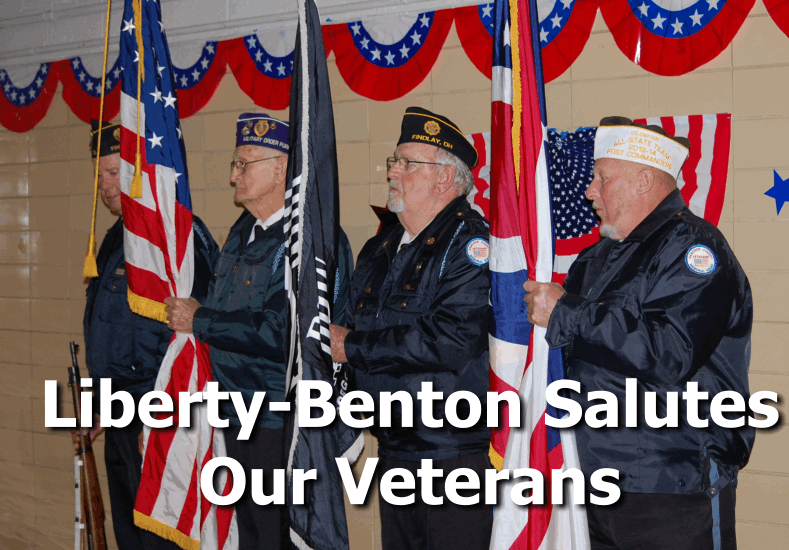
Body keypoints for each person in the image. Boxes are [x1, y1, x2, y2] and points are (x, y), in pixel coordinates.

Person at [524, 116, 754, 549]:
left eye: (602, 178)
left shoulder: (694, 249)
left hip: (670, 485)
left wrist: (567, 313)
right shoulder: (596, 258)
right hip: (596, 479)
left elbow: (669, 353)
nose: (589, 190)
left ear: (644, 181)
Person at [164, 113, 353, 550]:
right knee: (246, 535)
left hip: (280, 423)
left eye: (244, 164)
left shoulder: (310, 239)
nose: (233, 176)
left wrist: (201, 321)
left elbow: (288, 333)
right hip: (235, 415)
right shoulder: (241, 233)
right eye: (235, 163)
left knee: (277, 537)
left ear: (281, 170)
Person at [329, 107, 493, 550]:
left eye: (407, 163)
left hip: (450, 456)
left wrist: (353, 347)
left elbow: (453, 338)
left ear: (445, 178)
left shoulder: (471, 244)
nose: (393, 172)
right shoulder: (379, 247)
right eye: (393, 161)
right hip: (396, 449)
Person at [81, 120, 219, 549]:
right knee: (129, 533)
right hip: (122, 412)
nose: (103, 185)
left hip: (160, 412)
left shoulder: (176, 235)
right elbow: (110, 332)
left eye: (112, 173)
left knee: (163, 537)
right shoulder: (113, 240)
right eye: (99, 174)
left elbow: (195, 337)